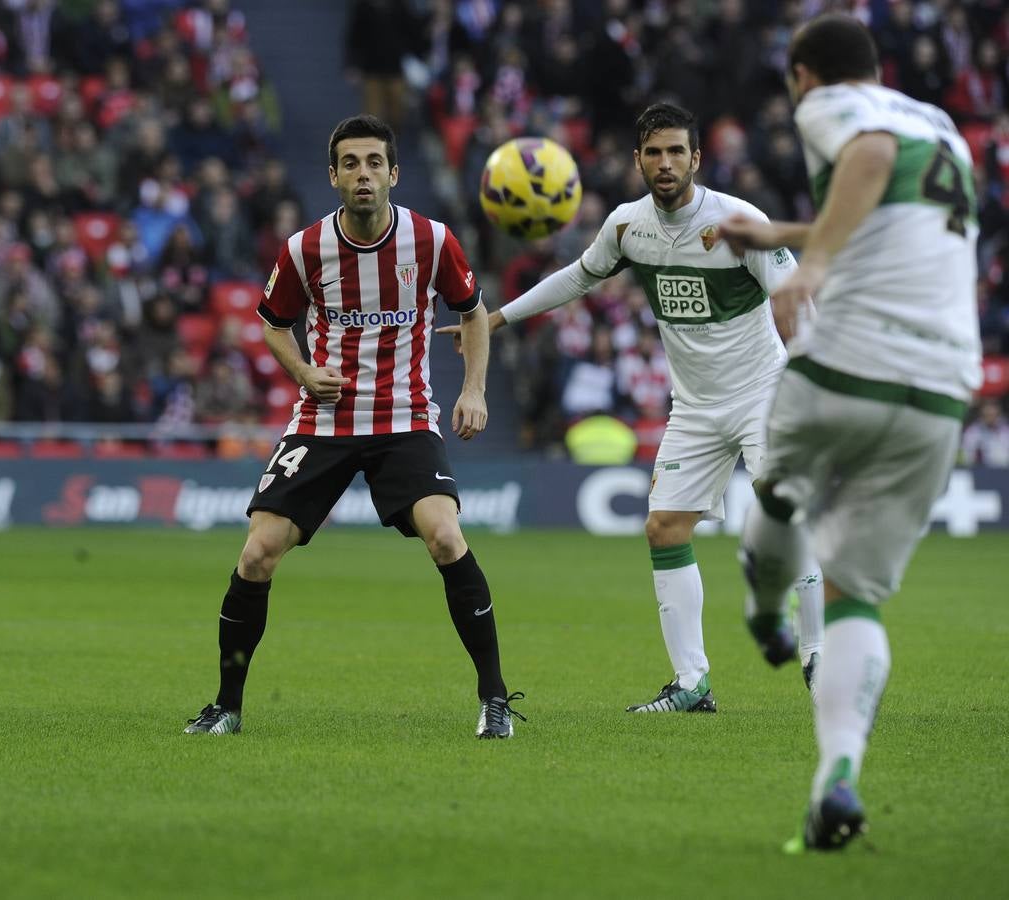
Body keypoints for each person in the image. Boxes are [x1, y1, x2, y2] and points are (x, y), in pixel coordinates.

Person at [443, 103, 824, 713]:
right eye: (655, 153)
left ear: (697, 159)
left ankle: (817, 654)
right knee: (663, 529)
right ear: (639, 161)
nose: (666, 163)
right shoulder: (627, 227)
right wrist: (496, 318)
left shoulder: (739, 221)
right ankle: (692, 684)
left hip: (764, 392)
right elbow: (577, 277)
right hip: (695, 407)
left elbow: (798, 297)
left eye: (677, 151)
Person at [718, 15, 981, 852]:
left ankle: (763, 617)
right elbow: (883, 212)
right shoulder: (943, 131)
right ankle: (838, 778)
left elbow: (865, 160)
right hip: (941, 386)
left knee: (777, 492)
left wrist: (815, 266)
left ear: (804, 75)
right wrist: (787, 237)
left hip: (849, 361)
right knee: (856, 594)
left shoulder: (832, 106)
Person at [183, 115, 524, 739]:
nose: (362, 174)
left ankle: (495, 698)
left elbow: (473, 315)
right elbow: (271, 321)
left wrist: (473, 390)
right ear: (334, 175)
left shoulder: (432, 240)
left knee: (446, 539)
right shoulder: (303, 250)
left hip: (406, 419)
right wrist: (304, 373)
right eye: (350, 163)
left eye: (374, 162)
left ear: (393, 173)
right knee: (257, 554)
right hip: (323, 421)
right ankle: (227, 707)